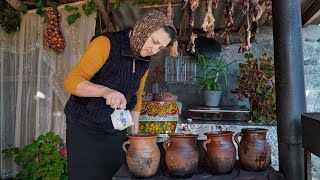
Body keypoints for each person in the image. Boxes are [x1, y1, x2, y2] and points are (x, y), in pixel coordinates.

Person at [63, 10, 176, 179]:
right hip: (85, 128)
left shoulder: (144, 60)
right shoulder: (106, 44)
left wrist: (134, 136)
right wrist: (104, 91)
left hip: (116, 130)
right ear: (142, 28)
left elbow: (136, 96)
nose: (154, 50)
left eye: (160, 48)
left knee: (115, 175)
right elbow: (71, 81)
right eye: (154, 41)